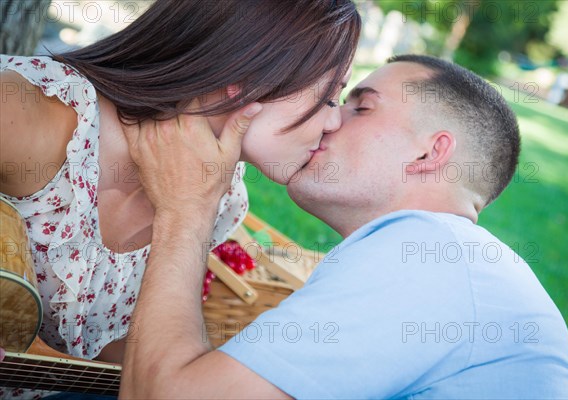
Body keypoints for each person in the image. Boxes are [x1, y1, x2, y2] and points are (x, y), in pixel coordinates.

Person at [113, 55, 568, 398]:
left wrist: (186, 208)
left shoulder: (429, 256)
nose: (330, 119)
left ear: (429, 154)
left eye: (361, 107)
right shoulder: (447, 259)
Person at [0, 0, 359, 398]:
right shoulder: (45, 116)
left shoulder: (222, 198)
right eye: (329, 96)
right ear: (249, 68)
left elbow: (123, 357)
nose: (335, 121)